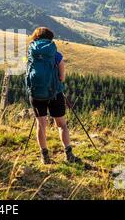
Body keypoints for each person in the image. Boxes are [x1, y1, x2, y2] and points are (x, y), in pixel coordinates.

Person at [26, 27, 78, 164]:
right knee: (61, 125)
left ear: (35, 37)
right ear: (50, 39)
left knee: (41, 125)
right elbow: (61, 77)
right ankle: (69, 154)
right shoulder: (56, 55)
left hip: (36, 93)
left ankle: (45, 156)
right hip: (55, 93)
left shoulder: (31, 53)